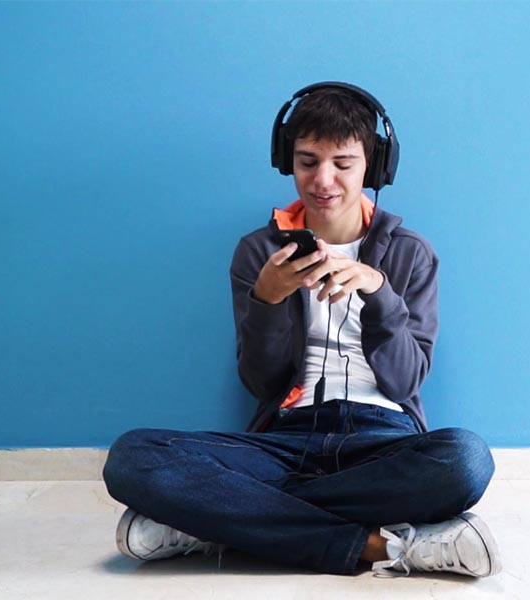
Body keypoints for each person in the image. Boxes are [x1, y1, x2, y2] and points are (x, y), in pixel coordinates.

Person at [103, 82, 501, 577]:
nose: (322, 180)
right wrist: (267, 299)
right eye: (308, 161)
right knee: (132, 457)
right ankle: (382, 546)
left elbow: (405, 382)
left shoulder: (409, 253)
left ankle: (216, 522)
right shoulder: (257, 251)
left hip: (382, 441)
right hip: (284, 439)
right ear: (286, 160)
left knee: (465, 460)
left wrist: (379, 293)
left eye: (342, 163)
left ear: (373, 167)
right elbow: (262, 384)